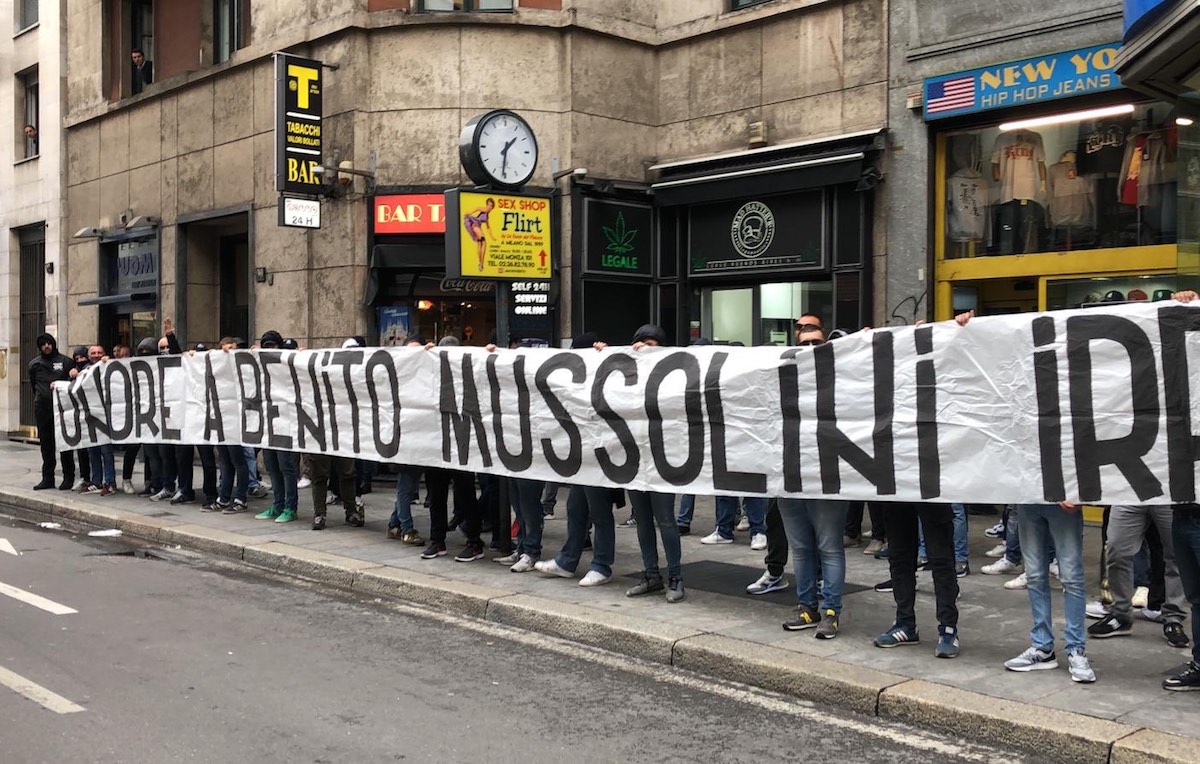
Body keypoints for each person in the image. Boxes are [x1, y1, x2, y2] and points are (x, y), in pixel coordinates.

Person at [598, 324, 685, 603]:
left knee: (666, 520)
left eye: (653, 345)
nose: (646, 349)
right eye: (642, 344)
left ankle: (675, 577)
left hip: (662, 458)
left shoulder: (672, 378)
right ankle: (651, 575)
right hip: (635, 457)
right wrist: (605, 355)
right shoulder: (627, 376)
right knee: (643, 521)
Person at [777, 324, 849, 638]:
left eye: (816, 342)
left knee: (829, 548)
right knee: (802, 549)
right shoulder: (781, 378)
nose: (810, 348)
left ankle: (831, 612)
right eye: (804, 343)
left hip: (827, 478)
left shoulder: (843, 378)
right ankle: (807, 607)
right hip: (789, 477)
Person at [533, 332, 616, 587]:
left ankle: (601, 565)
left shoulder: (606, 376)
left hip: (601, 455)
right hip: (582, 456)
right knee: (575, 508)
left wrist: (609, 355)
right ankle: (567, 561)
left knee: (600, 513)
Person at [254, 330, 300, 524]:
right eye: (266, 347)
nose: (269, 350)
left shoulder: (287, 363)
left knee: (285, 466)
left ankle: (291, 507)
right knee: (271, 465)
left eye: (273, 346)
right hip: (268, 422)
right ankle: (278, 504)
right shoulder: (261, 363)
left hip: (285, 422)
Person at [29, 333, 76, 490]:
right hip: (43, 409)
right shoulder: (34, 364)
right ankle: (48, 478)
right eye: (43, 344)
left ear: (53, 344)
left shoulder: (65, 361)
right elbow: (33, 385)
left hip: (62, 409)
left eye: (49, 343)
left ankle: (68, 477)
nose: (46, 346)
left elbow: (72, 383)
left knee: (65, 444)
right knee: (46, 445)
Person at [83, 345, 116, 496]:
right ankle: (96, 481)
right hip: (91, 415)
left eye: (99, 353)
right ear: (89, 356)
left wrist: (108, 362)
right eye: (93, 353)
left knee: (106, 451)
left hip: (105, 416)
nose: (96, 355)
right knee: (93, 450)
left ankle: (109, 482)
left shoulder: (108, 366)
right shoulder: (85, 370)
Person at [463, 198, 495, 272]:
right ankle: (480, 263)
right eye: (488, 205)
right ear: (486, 205)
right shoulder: (484, 209)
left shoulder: (487, 215)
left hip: (478, 227)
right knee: (483, 241)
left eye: (491, 206)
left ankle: (480, 263)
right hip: (474, 225)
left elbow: (488, 227)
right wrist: (469, 213)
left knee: (480, 243)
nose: (489, 207)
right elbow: (477, 208)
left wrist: (492, 236)